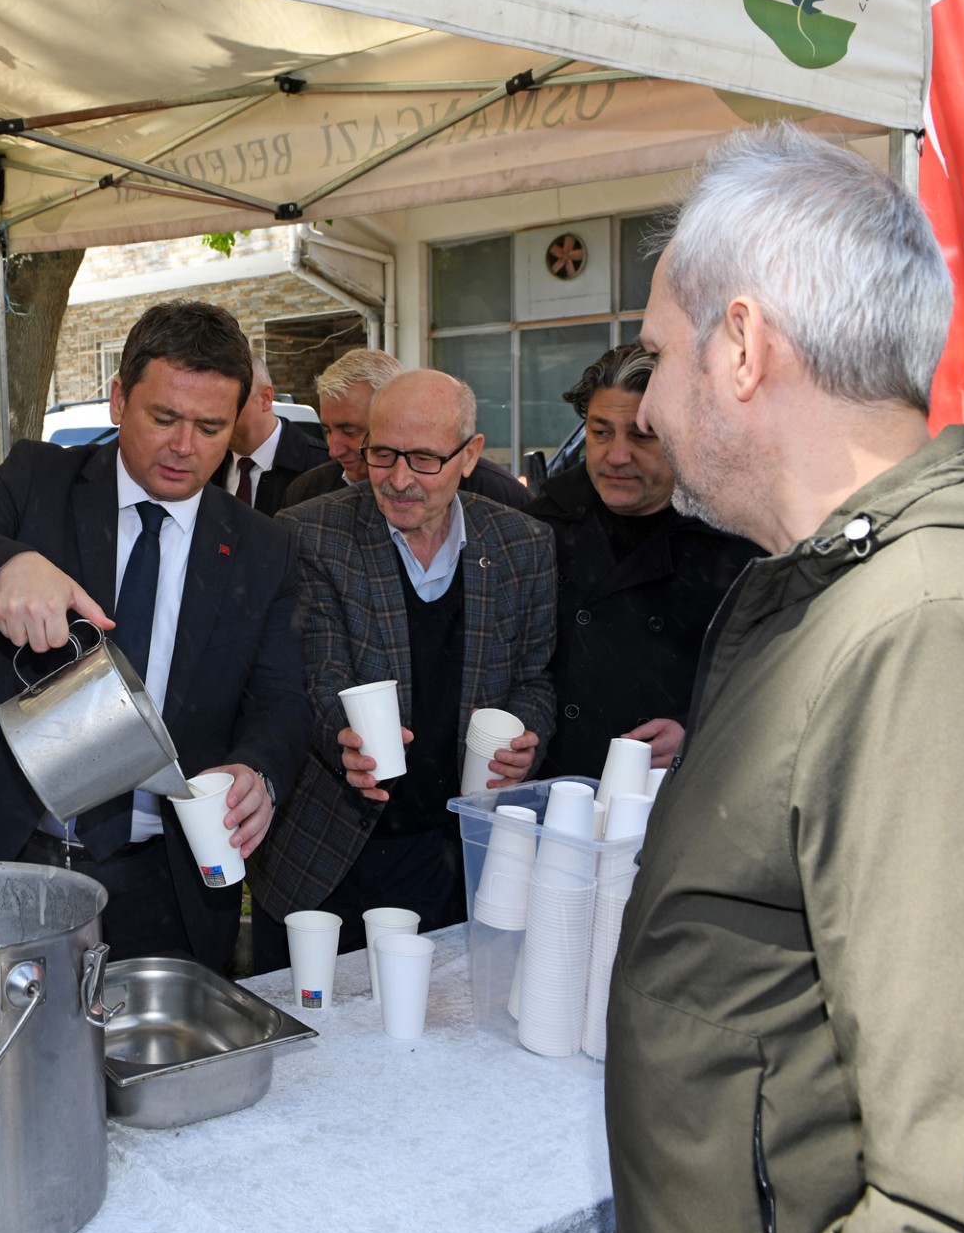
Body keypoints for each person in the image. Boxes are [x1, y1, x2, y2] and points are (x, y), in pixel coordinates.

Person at [606, 124, 964, 1233]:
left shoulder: (930, 629)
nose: (645, 408)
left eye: (657, 355)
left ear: (741, 346)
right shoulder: (850, 590)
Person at [0, 301, 309, 971]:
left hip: (167, 883)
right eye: (164, 418)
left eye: (210, 427)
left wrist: (259, 769)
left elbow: (284, 700)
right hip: (12, 856)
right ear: (119, 399)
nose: (184, 446)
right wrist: (8, 567)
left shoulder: (265, 548)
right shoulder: (43, 482)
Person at [253, 369, 555, 970]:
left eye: (423, 460)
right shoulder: (310, 533)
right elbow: (317, 676)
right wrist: (345, 740)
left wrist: (527, 736)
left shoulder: (523, 544)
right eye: (383, 453)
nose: (397, 480)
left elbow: (536, 676)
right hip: (328, 853)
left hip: (456, 856)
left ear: (470, 456)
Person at [523, 343, 760, 779]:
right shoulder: (540, 526)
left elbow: (768, 686)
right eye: (600, 432)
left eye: (641, 435)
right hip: (548, 798)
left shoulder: (738, 541)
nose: (616, 456)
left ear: (684, 432)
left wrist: (694, 734)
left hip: (667, 804)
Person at [280, 348, 532, 510]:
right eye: (326, 430)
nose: (334, 449)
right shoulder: (306, 494)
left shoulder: (497, 495)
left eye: (350, 431)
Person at [213, 359, 327, 515]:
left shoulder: (320, 465)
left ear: (265, 398)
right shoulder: (205, 459)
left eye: (227, 405)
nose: (214, 418)